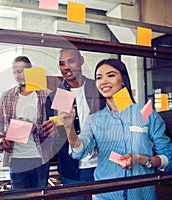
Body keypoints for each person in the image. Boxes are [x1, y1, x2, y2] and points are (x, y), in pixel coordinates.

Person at [60, 58, 172, 200]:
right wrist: (69, 127)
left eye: (111, 75)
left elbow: (169, 158)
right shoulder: (94, 119)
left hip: (142, 194)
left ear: (123, 79)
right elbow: (79, 152)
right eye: (99, 78)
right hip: (104, 195)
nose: (104, 81)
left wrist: (140, 159)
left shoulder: (146, 112)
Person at [42, 48, 102, 199]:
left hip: (102, 164)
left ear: (81, 60)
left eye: (71, 61)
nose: (66, 67)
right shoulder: (58, 95)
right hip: (72, 169)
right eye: (62, 64)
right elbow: (57, 135)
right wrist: (52, 133)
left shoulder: (98, 88)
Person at [0, 56, 53, 190]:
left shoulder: (46, 95)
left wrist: (34, 128)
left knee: (39, 195)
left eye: (20, 71)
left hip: (39, 157)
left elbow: (54, 128)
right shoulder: (7, 96)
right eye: (14, 72)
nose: (17, 76)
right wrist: (1, 138)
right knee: (18, 196)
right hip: (16, 157)